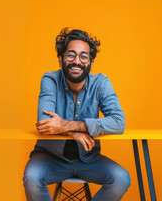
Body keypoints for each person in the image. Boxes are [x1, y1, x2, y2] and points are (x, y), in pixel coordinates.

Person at [23, 28, 131, 201]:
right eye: (70, 55)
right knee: (32, 177)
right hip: (49, 158)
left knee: (121, 179)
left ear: (91, 62)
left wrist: (69, 125)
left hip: (88, 159)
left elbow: (119, 122)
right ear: (60, 59)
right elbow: (44, 122)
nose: (77, 61)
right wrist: (74, 133)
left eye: (83, 56)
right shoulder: (50, 79)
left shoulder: (101, 83)